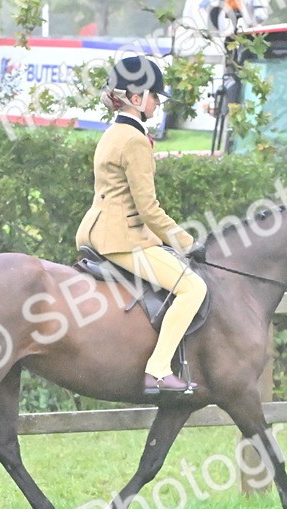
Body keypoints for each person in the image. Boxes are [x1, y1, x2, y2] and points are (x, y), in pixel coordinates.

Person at [76, 56, 208, 395]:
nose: (158, 103)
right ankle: (159, 370)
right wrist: (186, 242)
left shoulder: (113, 132)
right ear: (137, 99)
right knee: (194, 288)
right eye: (154, 96)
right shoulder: (134, 140)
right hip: (122, 239)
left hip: (97, 229)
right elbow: (148, 209)